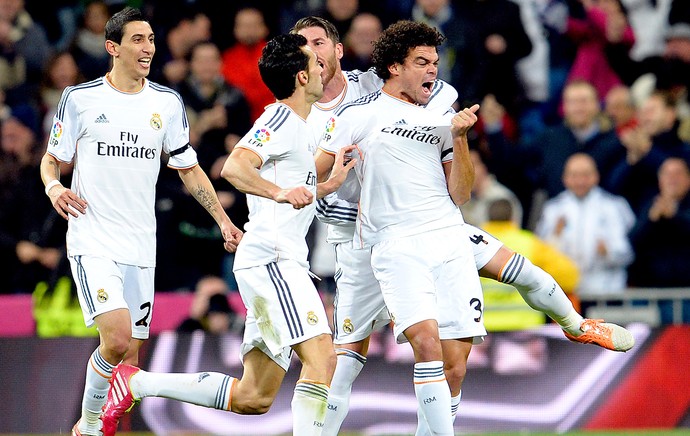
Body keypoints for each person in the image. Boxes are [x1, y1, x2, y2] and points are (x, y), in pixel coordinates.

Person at [291, 16, 635, 436]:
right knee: (384, 355)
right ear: (395, 66)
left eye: (435, 62)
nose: (433, 70)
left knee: (468, 345)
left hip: (448, 232)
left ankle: (578, 327)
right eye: (422, 62)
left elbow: (463, 194)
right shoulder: (347, 115)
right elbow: (311, 172)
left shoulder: (440, 110)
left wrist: (460, 139)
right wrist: (299, 189)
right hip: (382, 243)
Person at [99, 33, 356, 436]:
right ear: (301, 77)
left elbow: (289, 191)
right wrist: (278, 191)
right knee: (323, 359)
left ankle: (136, 382)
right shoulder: (280, 118)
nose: (321, 66)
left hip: (275, 261)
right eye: (313, 61)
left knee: (253, 398)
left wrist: (326, 185)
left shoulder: (304, 127)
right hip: (274, 261)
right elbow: (234, 167)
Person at [37, 8, 243, 436]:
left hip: (140, 244)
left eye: (150, 39)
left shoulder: (166, 103)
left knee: (129, 358)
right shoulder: (80, 98)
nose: (147, 47)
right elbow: (52, 160)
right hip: (93, 238)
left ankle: (111, 428)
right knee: (113, 338)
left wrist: (223, 220)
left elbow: (188, 168)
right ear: (113, 47)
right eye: (137, 40)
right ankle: (89, 426)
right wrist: (55, 188)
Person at [537, 153, 636, 297]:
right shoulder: (553, 209)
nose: (580, 181)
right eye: (574, 175)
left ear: (596, 176)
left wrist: (608, 251)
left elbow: (629, 251)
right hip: (565, 293)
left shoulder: (614, 206)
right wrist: (555, 237)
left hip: (605, 292)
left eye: (585, 175)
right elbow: (541, 251)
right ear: (565, 178)